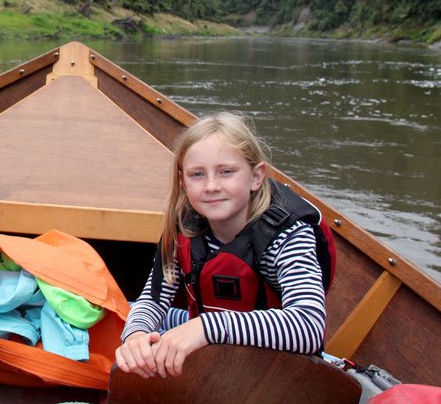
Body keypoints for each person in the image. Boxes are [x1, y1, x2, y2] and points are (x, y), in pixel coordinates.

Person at [115, 112, 327, 379]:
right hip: (214, 347)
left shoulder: (287, 236)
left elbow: (308, 327)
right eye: (197, 175)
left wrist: (205, 327)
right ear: (183, 182)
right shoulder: (184, 226)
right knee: (128, 310)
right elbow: (154, 301)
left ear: (256, 177)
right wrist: (135, 337)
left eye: (226, 172)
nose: (211, 186)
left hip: (276, 369)